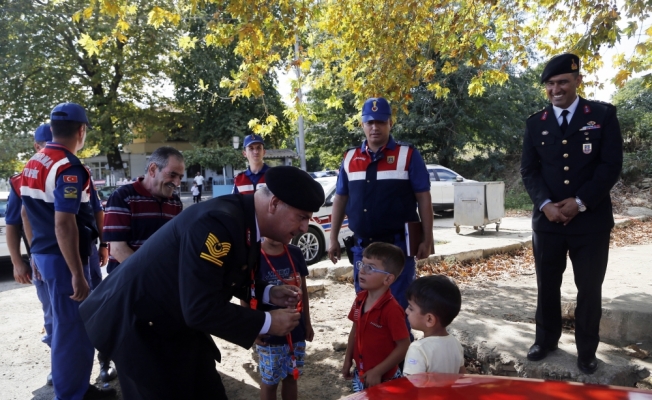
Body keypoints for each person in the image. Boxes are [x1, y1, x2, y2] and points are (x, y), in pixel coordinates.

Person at [79, 166, 325, 400]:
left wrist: (269, 293)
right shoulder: (219, 222)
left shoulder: (243, 218)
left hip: (175, 320)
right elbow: (200, 307)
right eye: (301, 217)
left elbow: (223, 275)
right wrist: (268, 322)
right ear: (274, 204)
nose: (305, 227)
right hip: (137, 326)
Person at [520, 53, 623, 375]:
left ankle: (587, 350)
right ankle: (546, 340)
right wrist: (545, 205)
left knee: (589, 288)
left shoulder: (602, 116)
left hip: (590, 222)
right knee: (546, 285)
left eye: (563, 82)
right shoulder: (535, 123)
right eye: (550, 84)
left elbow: (610, 166)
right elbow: (529, 170)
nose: (556, 89)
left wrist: (579, 202)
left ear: (578, 81)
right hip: (547, 222)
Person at [20, 103, 116, 399]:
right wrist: (77, 272)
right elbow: (64, 224)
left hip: (47, 256)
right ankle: (73, 394)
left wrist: (36, 253)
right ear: (81, 130)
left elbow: (26, 215)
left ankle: (75, 388)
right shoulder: (69, 167)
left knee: (65, 327)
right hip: (66, 259)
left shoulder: (33, 163)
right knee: (72, 330)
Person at [328, 97, 434, 322]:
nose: (374, 127)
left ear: (390, 123)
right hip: (362, 249)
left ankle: (400, 357)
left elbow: (423, 198)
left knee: (398, 310)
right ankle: (368, 355)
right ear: (362, 124)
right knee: (365, 307)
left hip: (397, 249)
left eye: (380, 121)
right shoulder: (349, 157)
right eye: (370, 122)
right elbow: (340, 198)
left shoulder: (408, 155)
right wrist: (333, 238)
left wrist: (428, 238)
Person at [6, 124, 54, 386]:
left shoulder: (71, 171)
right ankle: (59, 365)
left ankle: (87, 365)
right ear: (37, 147)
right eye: (47, 145)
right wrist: (17, 262)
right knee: (52, 315)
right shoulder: (20, 180)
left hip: (77, 256)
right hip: (44, 259)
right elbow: (12, 225)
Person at [102, 146, 184, 274]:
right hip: (127, 283)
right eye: (172, 175)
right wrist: (150, 276)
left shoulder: (175, 202)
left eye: (180, 177)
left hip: (162, 283)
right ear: (152, 169)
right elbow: (118, 249)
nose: (177, 182)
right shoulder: (123, 197)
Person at [342, 242, 410, 392]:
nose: (362, 271)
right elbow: (355, 330)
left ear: (388, 279)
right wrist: (348, 360)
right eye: (362, 264)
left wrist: (378, 371)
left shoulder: (392, 310)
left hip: (384, 381)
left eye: (370, 267)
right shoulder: (360, 298)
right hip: (361, 375)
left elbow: (404, 345)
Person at [252, 238, 313, 400]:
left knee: (292, 377)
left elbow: (303, 290)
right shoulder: (253, 255)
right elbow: (246, 293)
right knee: (270, 382)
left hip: (296, 331)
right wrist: (252, 328)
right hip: (269, 335)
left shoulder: (295, 252)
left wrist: (307, 323)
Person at [402, 275, 466, 375]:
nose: (406, 311)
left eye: (411, 308)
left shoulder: (418, 349)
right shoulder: (455, 344)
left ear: (429, 319)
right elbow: (463, 376)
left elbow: (412, 385)